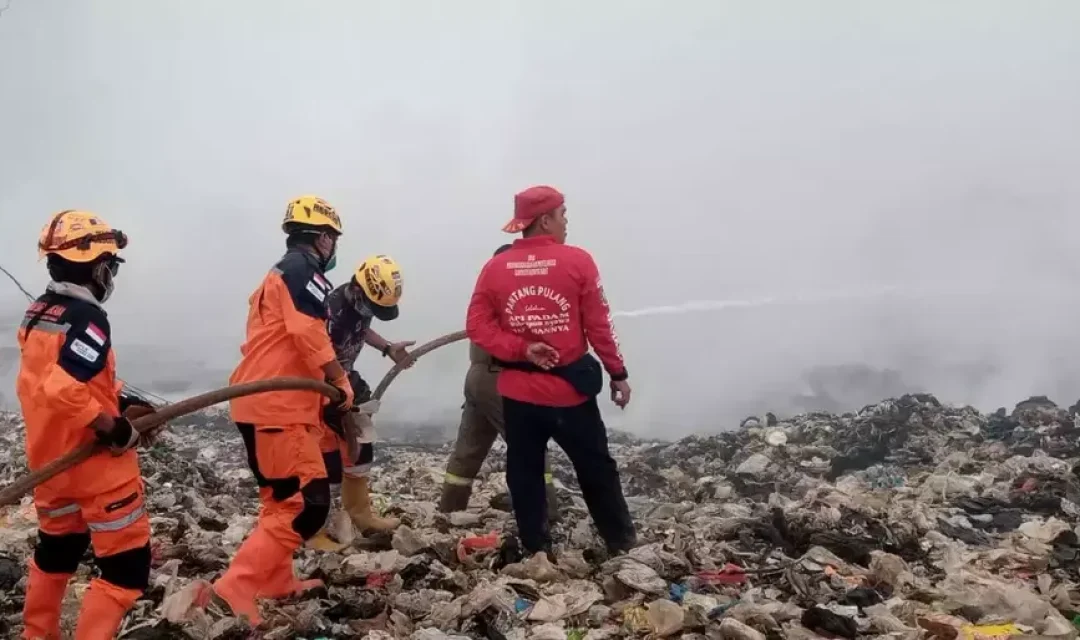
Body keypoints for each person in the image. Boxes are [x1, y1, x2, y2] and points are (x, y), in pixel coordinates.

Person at [196, 195, 355, 626]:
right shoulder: (305, 272)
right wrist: (339, 381)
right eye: (333, 238)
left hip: (268, 403)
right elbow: (308, 333)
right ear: (323, 238)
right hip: (277, 406)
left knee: (279, 501)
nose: (334, 247)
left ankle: (276, 578)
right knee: (306, 506)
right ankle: (238, 585)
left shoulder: (283, 272)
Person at [465, 185, 637, 557]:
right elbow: (599, 324)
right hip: (569, 396)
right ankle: (621, 543)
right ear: (545, 220)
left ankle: (536, 549)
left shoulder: (495, 267)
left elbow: (478, 326)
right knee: (595, 469)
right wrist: (617, 373)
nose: (565, 223)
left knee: (524, 474)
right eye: (562, 216)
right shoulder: (578, 262)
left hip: (518, 395)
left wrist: (521, 349)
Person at [18, 210, 159, 639]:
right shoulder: (88, 317)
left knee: (57, 553)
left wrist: (122, 400)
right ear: (96, 266)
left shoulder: (40, 312)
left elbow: (59, 378)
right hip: (95, 470)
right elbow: (63, 387)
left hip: (50, 463)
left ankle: (37, 634)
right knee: (126, 569)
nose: (111, 275)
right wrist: (113, 426)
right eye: (110, 266)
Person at [439, 244, 559, 522]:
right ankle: (546, 513)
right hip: (500, 380)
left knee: (468, 450)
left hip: (478, 378)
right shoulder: (512, 294)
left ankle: (449, 510)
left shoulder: (489, 291)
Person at [308, 255, 413, 550]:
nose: (373, 311)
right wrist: (335, 391)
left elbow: (362, 329)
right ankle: (317, 527)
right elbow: (316, 354)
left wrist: (388, 347)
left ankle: (360, 514)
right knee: (324, 459)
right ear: (357, 288)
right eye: (372, 306)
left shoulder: (360, 304)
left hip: (347, 380)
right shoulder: (330, 309)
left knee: (361, 447)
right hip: (321, 386)